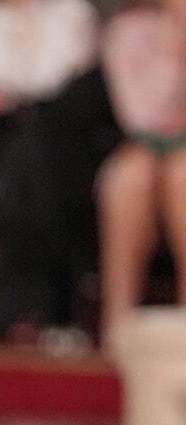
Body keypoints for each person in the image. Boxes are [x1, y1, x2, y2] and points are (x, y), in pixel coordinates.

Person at [0, 0, 114, 339]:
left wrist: (20, 103)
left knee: (38, 141)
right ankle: (32, 304)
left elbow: (83, 97)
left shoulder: (74, 14)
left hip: (64, 146)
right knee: (13, 149)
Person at [99, 0, 186, 341]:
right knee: (129, 177)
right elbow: (140, 116)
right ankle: (119, 329)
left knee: (183, 175)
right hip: (143, 150)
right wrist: (174, 47)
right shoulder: (128, 32)